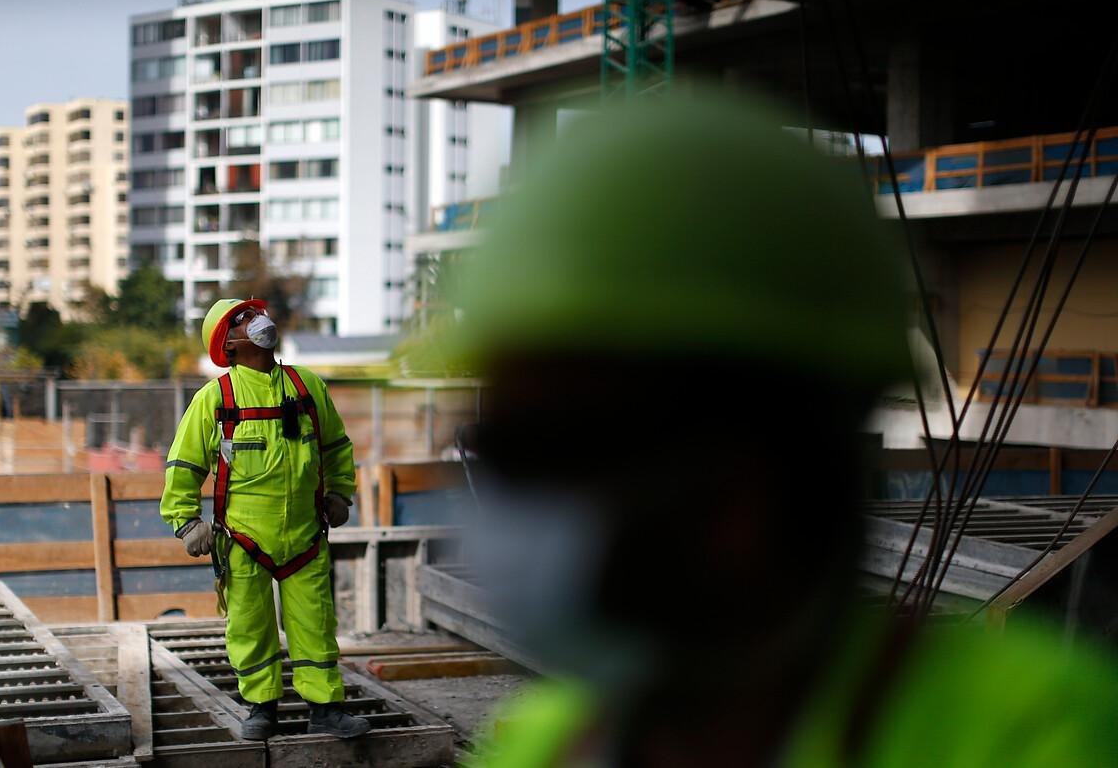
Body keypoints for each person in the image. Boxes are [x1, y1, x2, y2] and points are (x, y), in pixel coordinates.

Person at [456, 89, 1118, 766]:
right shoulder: (547, 741)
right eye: (492, 448)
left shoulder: (1037, 736)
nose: (505, 505)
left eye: (536, 452)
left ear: (741, 489)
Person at [160, 298, 370, 741]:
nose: (255, 322)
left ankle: (326, 708)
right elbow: (184, 466)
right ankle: (262, 708)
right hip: (243, 539)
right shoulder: (215, 398)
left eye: (253, 314)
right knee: (250, 627)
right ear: (229, 345)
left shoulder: (306, 385)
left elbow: (335, 446)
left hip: (306, 534)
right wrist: (185, 521)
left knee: (315, 623)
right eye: (241, 320)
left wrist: (339, 493)